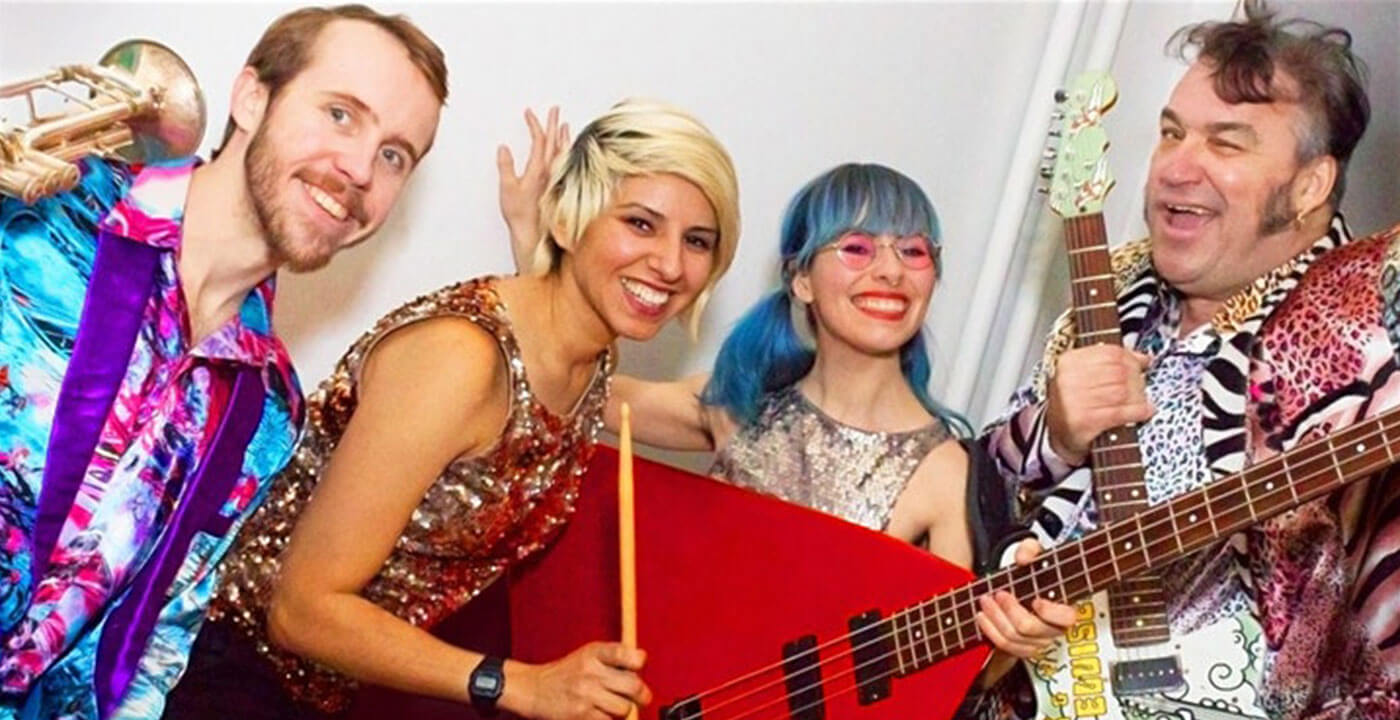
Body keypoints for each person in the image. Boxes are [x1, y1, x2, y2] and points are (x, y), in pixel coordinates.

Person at [165, 99, 742, 720]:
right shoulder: (462, 358)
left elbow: (702, 409)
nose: (670, 264)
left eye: (697, 241)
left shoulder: (589, 362)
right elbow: (300, 609)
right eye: (641, 224)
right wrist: (521, 686)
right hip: (209, 670)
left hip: (329, 693)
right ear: (568, 220)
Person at [0, 4, 446, 718]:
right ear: (252, 97)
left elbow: (145, 648)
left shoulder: (268, 410)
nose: (360, 169)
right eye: (340, 114)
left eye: (395, 154)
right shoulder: (40, 209)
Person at [504, 154, 1078, 681]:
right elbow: (574, 386)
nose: (891, 271)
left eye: (913, 251)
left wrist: (1011, 645)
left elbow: (948, 680)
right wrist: (543, 253)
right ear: (801, 279)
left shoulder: (948, 472)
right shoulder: (740, 405)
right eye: (857, 248)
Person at [979, 1, 1398, 718]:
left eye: (1226, 144)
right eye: (1171, 132)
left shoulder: (1367, 336)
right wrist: (1056, 437)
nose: (1176, 165)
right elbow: (981, 495)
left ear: (1309, 185)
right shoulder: (1113, 293)